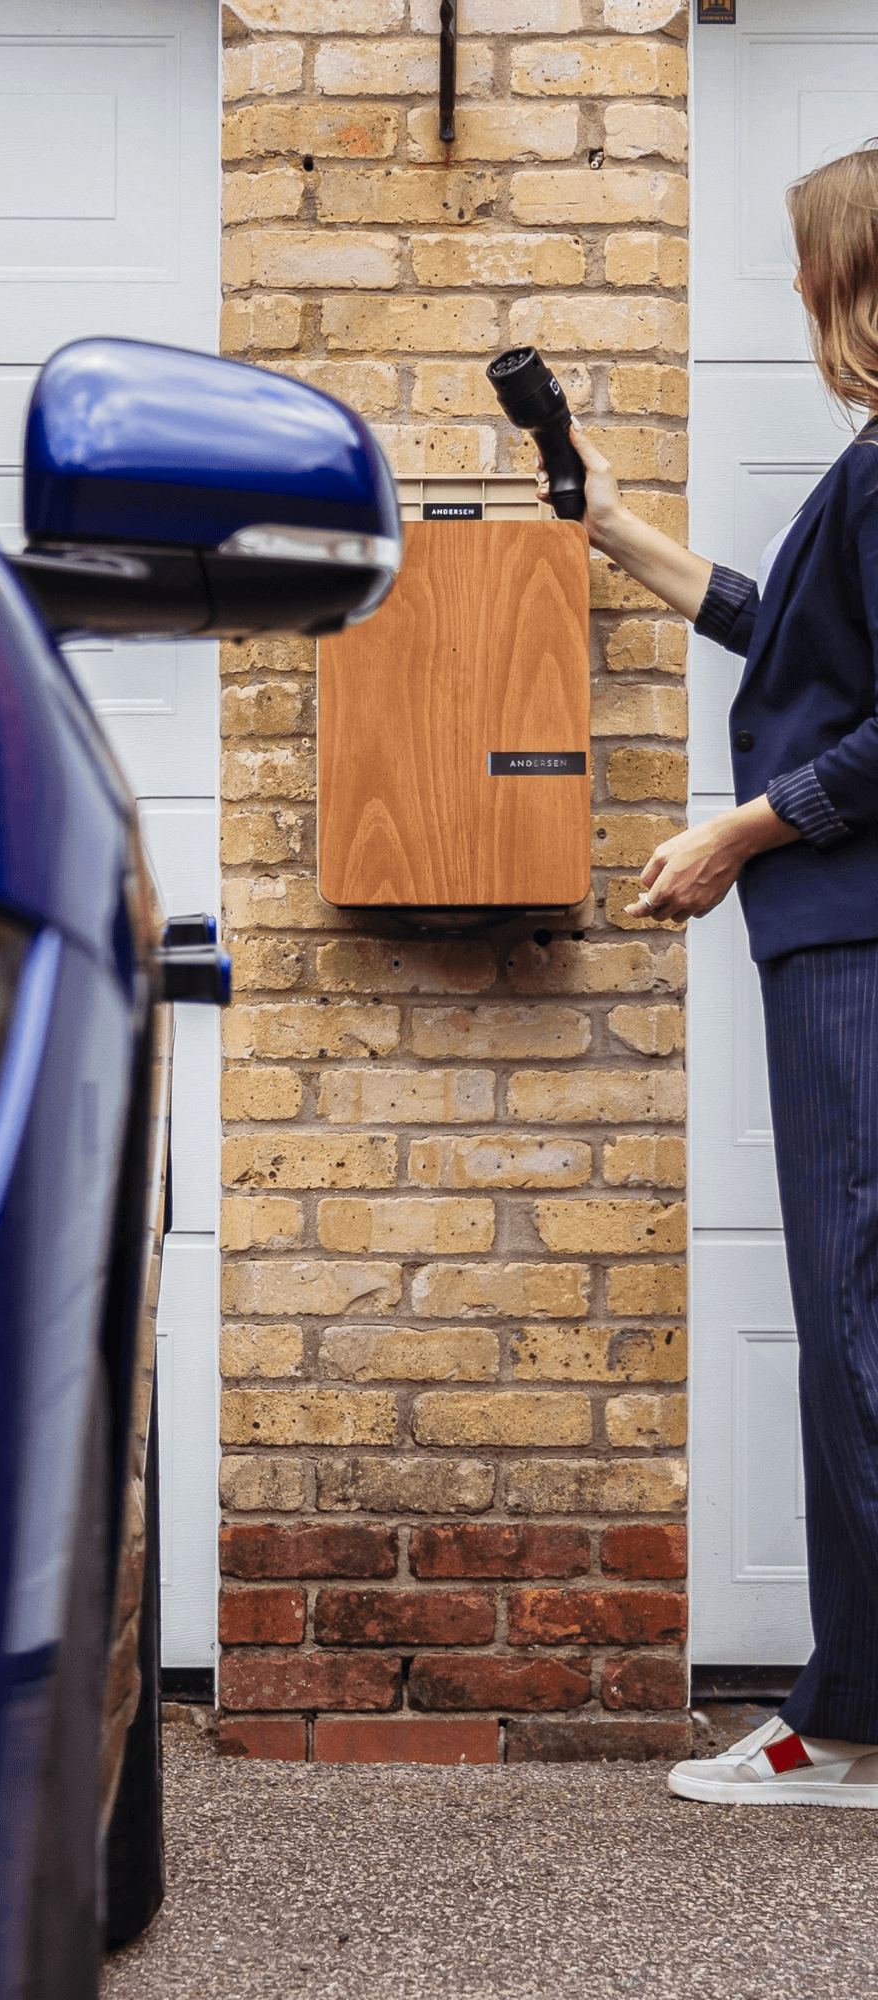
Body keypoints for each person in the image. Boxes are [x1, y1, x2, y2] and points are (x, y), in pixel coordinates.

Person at [562, 142, 878, 1808]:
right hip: (839, 927)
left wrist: (739, 833)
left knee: (849, 1316)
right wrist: (620, 533)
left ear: (858, 283)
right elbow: (804, 647)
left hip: (853, 933)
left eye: (812, 269)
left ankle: (857, 1724)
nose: (801, 301)